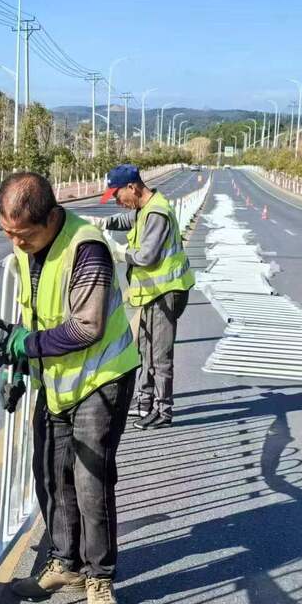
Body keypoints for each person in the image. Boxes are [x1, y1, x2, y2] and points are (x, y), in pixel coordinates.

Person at [0, 171, 139, 604]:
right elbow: (32, 311)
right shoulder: (25, 247)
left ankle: (100, 577)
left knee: (90, 478)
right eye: (8, 232)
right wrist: (19, 367)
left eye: (24, 233)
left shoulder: (86, 248)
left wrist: (27, 346)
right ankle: (64, 563)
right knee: (51, 474)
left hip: (101, 378)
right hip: (56, 382)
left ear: (52, 217)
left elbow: (86, 327)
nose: (16, 240)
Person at [90, 164, 195, 430]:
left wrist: (119, 252)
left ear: (132, 187)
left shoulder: (157, 212)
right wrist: (105, 222)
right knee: (145, 348)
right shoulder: (144, 209)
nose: (117, 201)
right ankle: (145, 401)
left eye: (117, 195)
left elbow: (147, 257)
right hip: (152, 293)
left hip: (166, 293)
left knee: (159, 354)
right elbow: (129, 219)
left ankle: (163, 410)